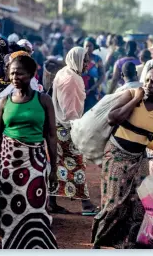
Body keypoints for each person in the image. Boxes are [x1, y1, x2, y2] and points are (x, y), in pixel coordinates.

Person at [91, 63, 153, 249]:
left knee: (138, 203)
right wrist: (136, 99)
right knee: (114, 203)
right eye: (148, 80)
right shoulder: (132, 95)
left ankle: (128, 243)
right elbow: (113, 118)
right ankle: (98, 242)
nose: (149, 84)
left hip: (139, 157)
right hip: (116, 153)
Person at [0, 55, 58, 248]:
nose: (15, 77)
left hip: (35, 162)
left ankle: (37, 247)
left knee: (36, 207)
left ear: (31, 74)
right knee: (10, 209)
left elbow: (52, 136)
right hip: (8, 164)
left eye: (20, 73)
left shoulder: (44, 100)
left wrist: (53, 169)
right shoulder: (4, 102)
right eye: (12, 73)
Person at [49, 46, 97, 215]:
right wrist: (77, 129)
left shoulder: (64, 72)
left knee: (57, 164)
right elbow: (70, 111)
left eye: (87, 60)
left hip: (57, 125)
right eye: (85, 60)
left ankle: (51, 201)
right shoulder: (72, 79)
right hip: (68, 128)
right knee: (77, 164)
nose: (87, 64)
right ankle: (86, 204)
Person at [83, 37, 105, 112]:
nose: (88, 48)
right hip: (79, 91)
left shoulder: (97, 59)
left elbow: (102, 75)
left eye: (90, 46)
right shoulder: (80, 58)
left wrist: (92, 88)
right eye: (86, 46)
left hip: (93, 91)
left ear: (93, 47)